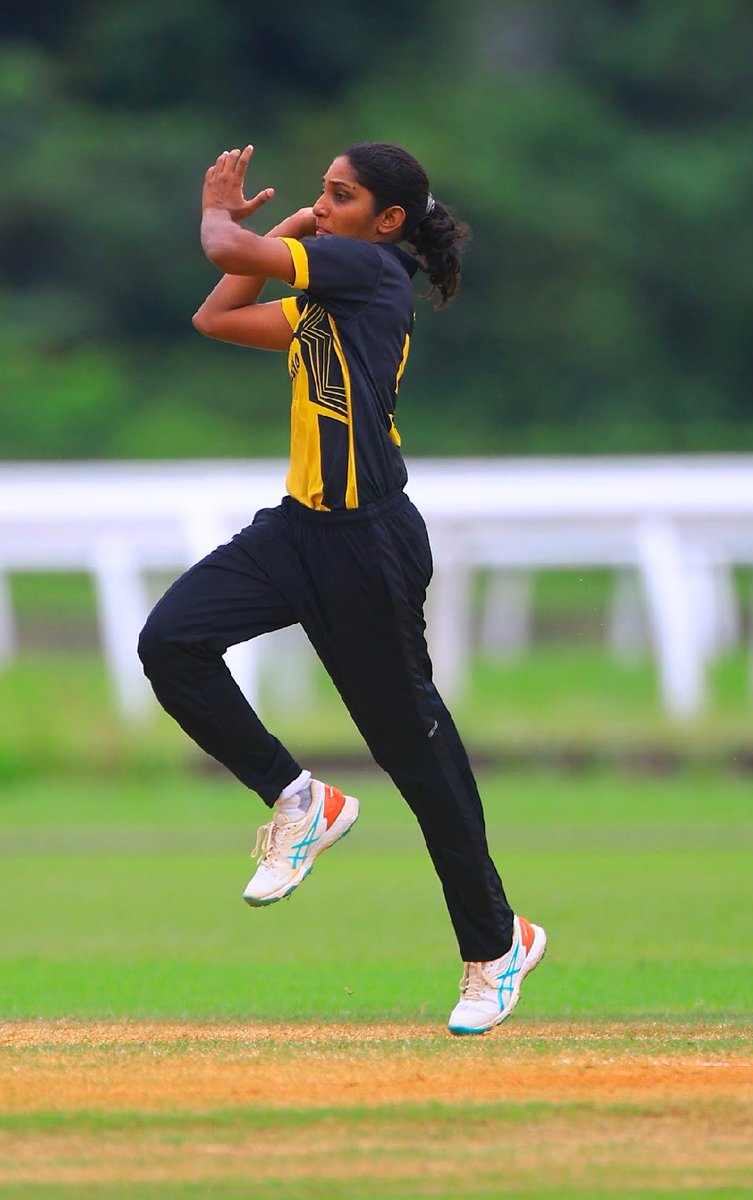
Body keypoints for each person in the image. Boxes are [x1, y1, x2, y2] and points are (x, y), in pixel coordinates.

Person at [138, 141, 547, 1034]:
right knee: (169, 644)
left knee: (419, 762)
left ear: (387, 222)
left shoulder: (366, 271)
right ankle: (299, 799)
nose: (324, 207)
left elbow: (224, 256)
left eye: (340, 195)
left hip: (369, 545)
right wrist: (281, 231)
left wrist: (223, 210)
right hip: (298, 532)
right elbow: (218, 316)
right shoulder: (330, 295)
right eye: (321, 195)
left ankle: (496, 945)